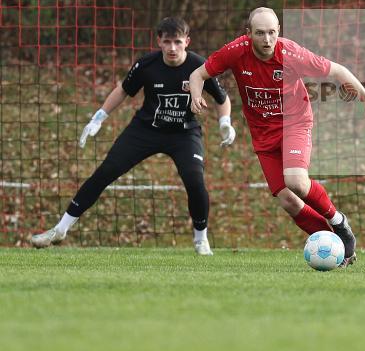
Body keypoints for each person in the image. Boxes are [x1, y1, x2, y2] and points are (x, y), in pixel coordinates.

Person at [189, 7, 365, 266]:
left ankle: (339, 223)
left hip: (295, 123)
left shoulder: (291, 53)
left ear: (279, 31)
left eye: (272, 32)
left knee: (296, 181)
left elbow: (338, 71)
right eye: (260, 33)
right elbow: (198, 74)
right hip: (262, 134)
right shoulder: (236, 51)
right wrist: (195, 95)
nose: (267, 39)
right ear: (248, 34)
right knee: (288, 201)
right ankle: (333, 245)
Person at [31, 17, 235, 255]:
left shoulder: (199, 67)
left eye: (177, 42)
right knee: (105, 171)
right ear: (158, 41)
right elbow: (123, 91)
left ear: (187, 42)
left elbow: (223, 99)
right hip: (145, 131)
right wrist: (98, 117)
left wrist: (225, 123)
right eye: (167, 41)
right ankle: (61, 228)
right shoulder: (146, 65)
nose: (172, 48)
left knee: (195, 181)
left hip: (184, 134)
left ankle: (201, 239)